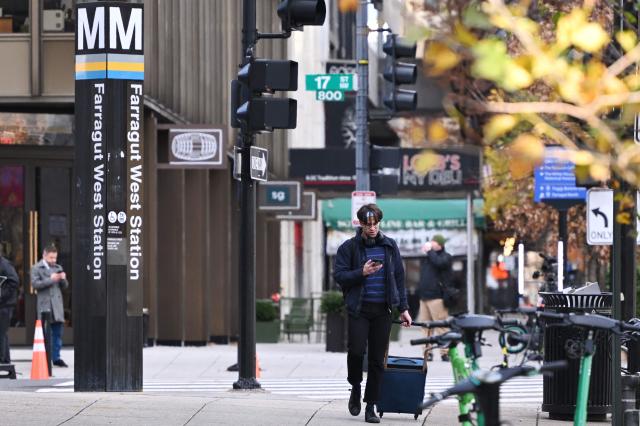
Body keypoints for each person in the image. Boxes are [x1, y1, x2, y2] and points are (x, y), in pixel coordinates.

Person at [334, 204, 412, 424]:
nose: (372, 228)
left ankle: (371, 406)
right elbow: (339, 276)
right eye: (367, 224)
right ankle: (355, 386)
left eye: (375, 223)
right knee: (357, 352)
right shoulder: (349, 248)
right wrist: (362, 272)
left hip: (383, 310)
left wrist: (403, 308)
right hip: (359, 309)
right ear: (360, 224)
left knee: (378, 360)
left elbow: (398, 278)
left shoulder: (389, 246)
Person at [31, 244, 68, 367]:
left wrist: (63, 279)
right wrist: (51, 279)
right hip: (45, 305)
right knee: (46, 334)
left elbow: (65, 286)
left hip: (57, 306)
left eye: (55, 258)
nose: (53, 260)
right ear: (44, 255)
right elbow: (35, 284)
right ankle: (45, 358)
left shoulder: (58, 267)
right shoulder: (36, 268)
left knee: (58, 333)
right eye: (51, 258)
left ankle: (56, 357)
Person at [418, 234, 453, 362]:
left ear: (440, 244)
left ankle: (445, 352)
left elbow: (439, 263)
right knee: (426, 326)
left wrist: (430, 251)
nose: (431, 243)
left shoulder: (446, 257)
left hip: (437, 297)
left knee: (441, 326)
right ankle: (427, 352)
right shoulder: (428, 257)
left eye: (434, 241)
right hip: (424, 297)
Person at [0, 250, 19, 364]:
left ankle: (2, 359)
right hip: (4, 303)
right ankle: (5, 360)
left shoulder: (5, 264)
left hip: (5, 304)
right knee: (2, 332)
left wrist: (1, 295)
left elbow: (14, 281)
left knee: (1, 332)